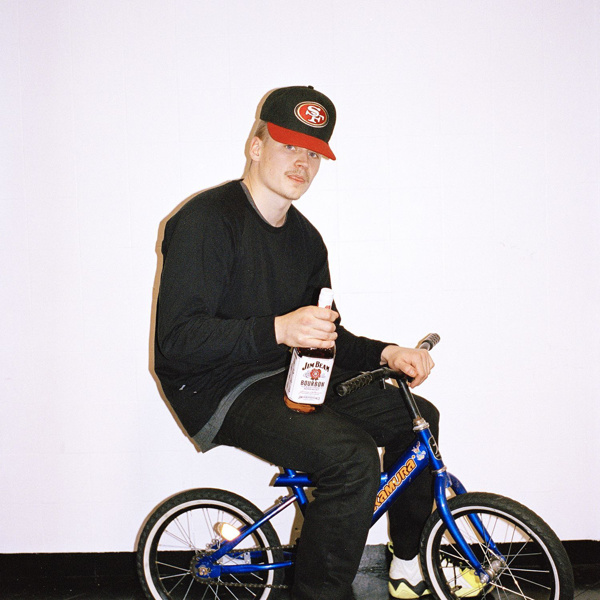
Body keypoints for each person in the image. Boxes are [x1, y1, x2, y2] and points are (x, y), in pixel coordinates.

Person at [154, 85, 445, 600]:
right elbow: (176, 342)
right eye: (289, 145)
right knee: (352, 458)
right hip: (216, 388)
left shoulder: (306, 241)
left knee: (417, 415)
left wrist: (387, 353)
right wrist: (278, 329)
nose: (302, 163)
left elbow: (326, 334)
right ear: (256, 146)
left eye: (313, 153)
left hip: (292, 375)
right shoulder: (205, 222)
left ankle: (405, 563)